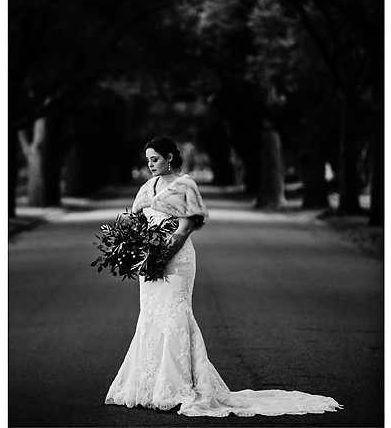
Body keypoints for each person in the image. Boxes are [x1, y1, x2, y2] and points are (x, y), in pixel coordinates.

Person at [104, 136, 342, 417]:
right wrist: (137, 253)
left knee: (176, 314)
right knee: (151, 315)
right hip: (150, 262)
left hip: (177, 261)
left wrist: (161, 256)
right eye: (147, 161)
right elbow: (135, 222)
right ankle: (148, 385)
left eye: (154, 159)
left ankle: (179, 386)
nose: (150, 165)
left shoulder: (185, 186)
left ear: (169, 158)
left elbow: (185, 228)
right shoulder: (147, 188)